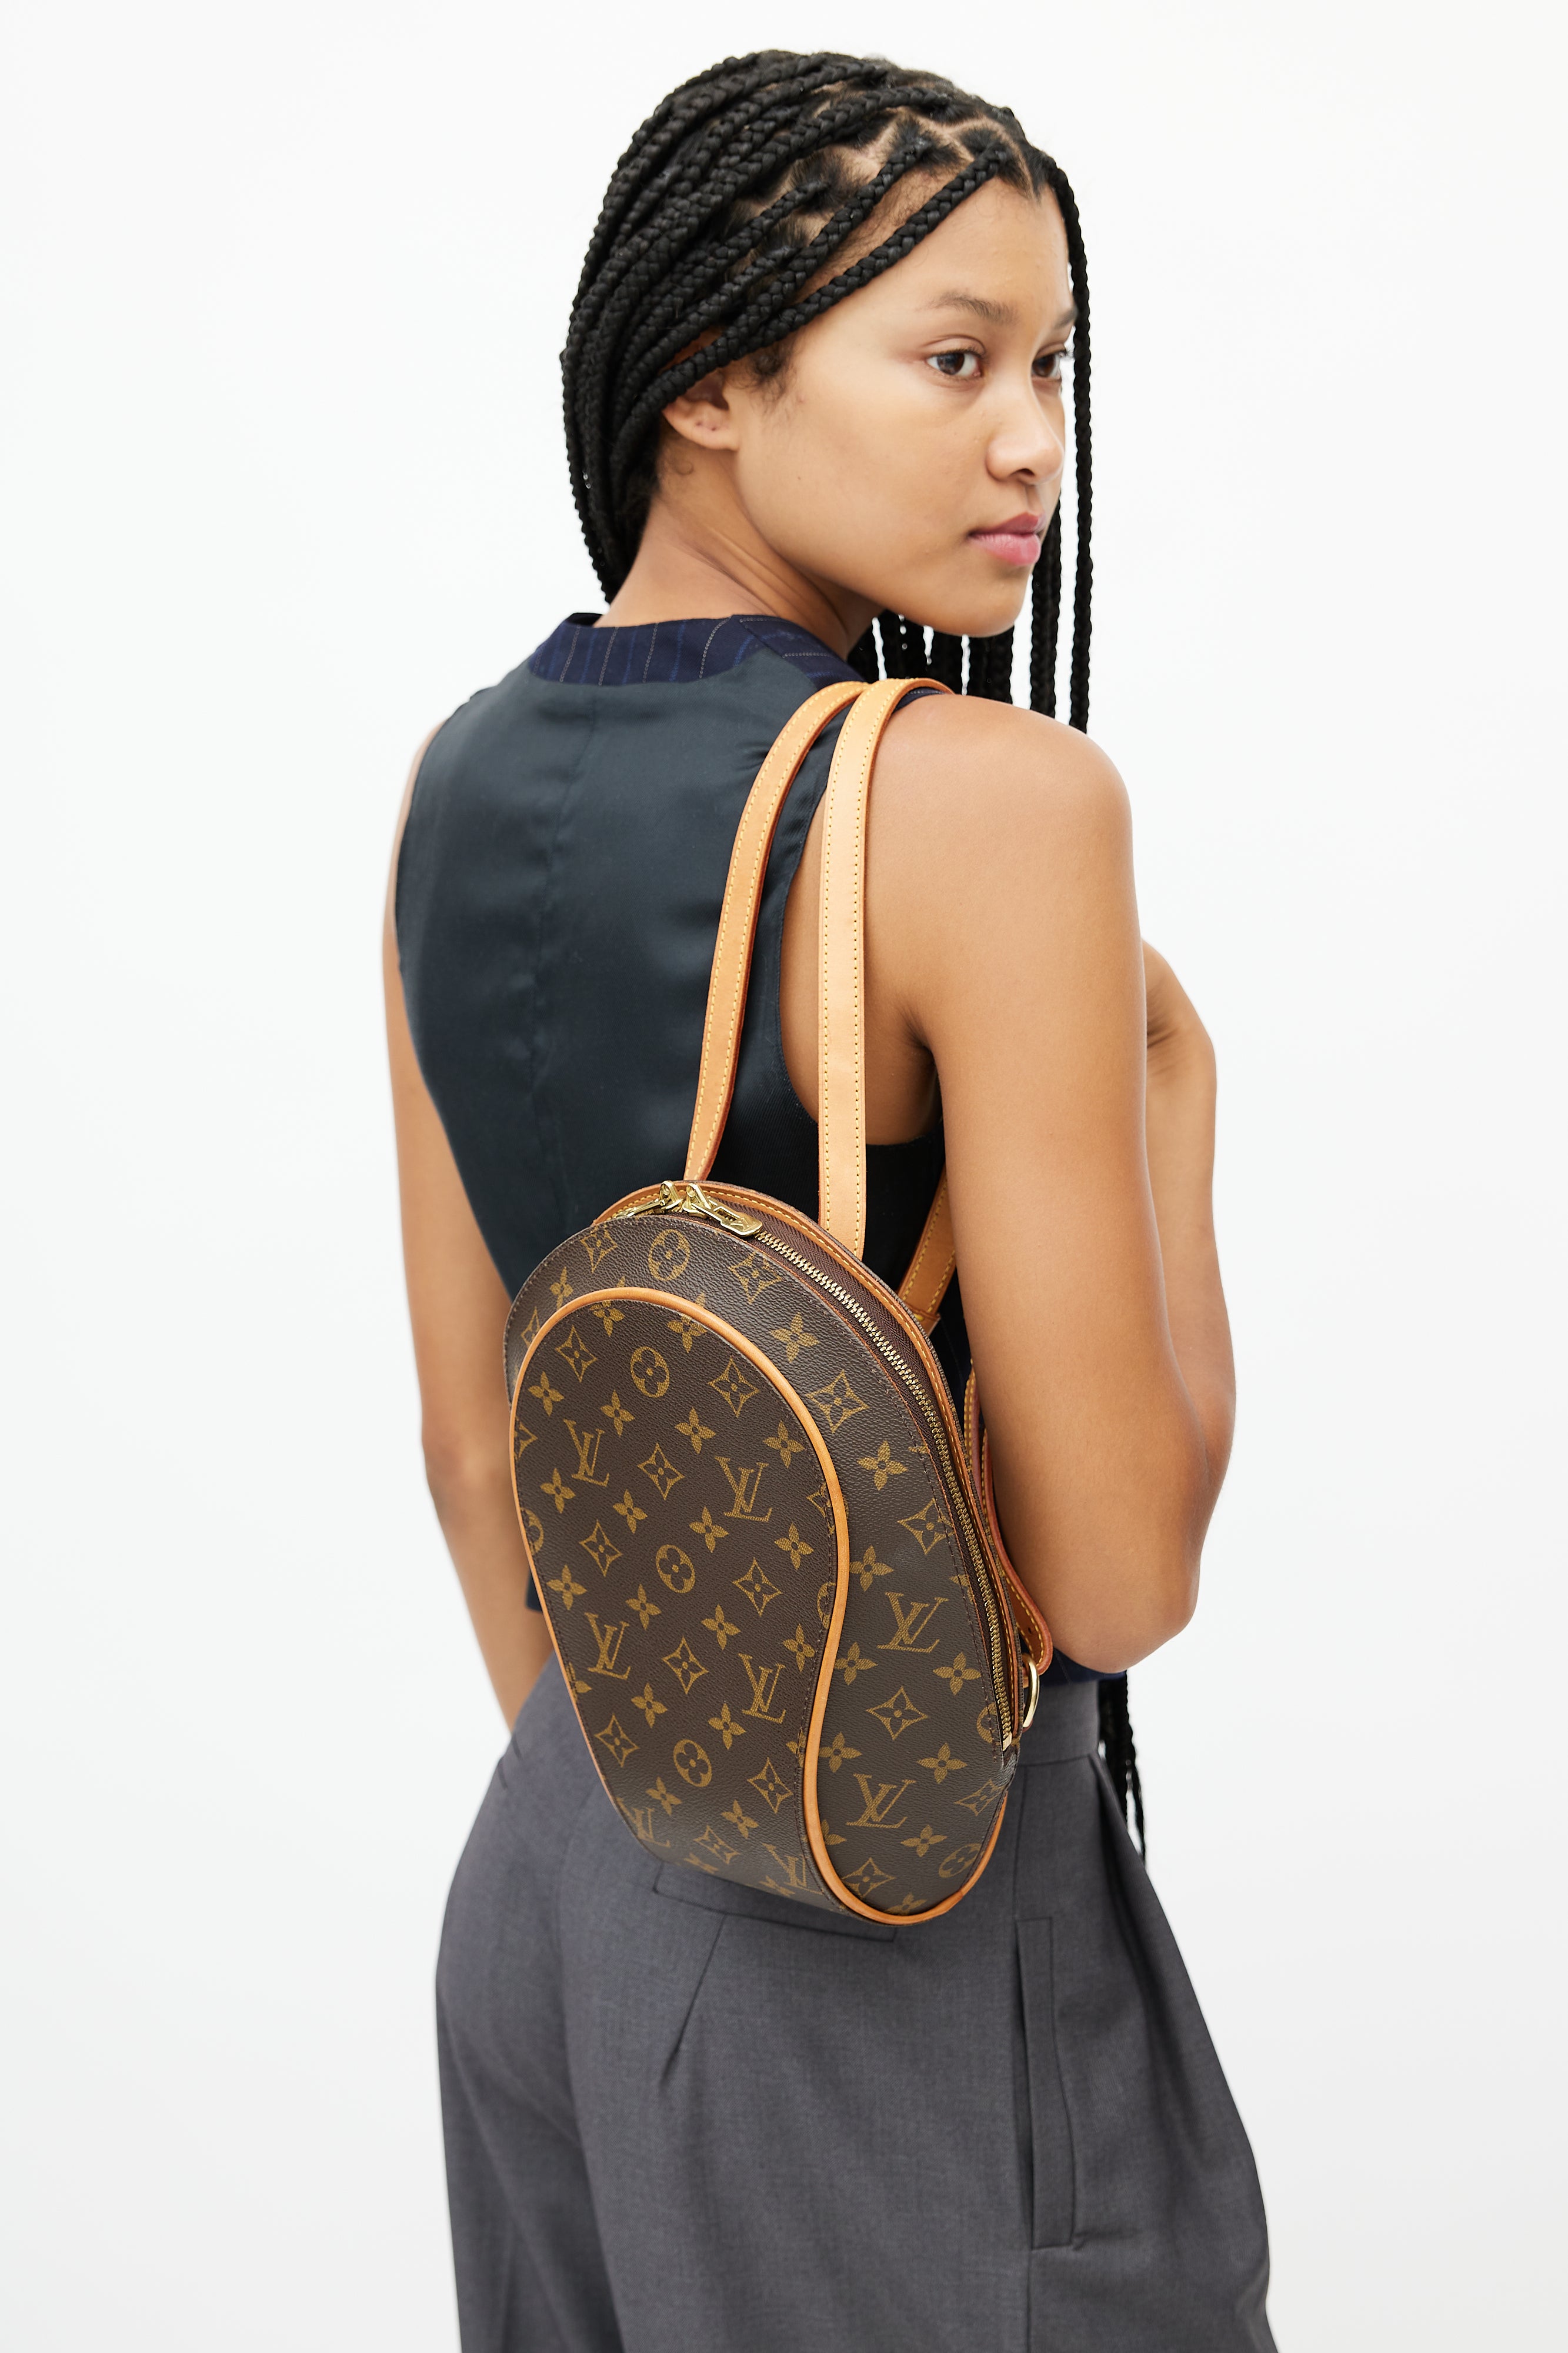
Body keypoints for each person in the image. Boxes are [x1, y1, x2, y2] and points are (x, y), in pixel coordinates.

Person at [385, 50, 1274, 2353]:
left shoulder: (454, 780)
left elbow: (475, 1452)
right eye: (953, 360)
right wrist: (1176, 1104)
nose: (1032, 442)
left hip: (556, 1881)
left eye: (1052, 365)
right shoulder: (995, 803)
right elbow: (1116, 1574)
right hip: (892, 1924)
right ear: (706, 382)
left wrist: (660, 1837)